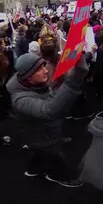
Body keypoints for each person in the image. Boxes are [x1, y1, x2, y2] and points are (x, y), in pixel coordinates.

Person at [7, 52, 88, 188]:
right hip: (42, 137)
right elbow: (49, 111)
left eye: (44, 66)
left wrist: (78, 56)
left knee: (39, 153)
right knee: (56, 158)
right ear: (28, 76)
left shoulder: (32, 84)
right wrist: (73, 80)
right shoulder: (20, 99)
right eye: (39, 69)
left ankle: (33, 170)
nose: (46, 70)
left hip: (39, 134)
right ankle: (59, 177)